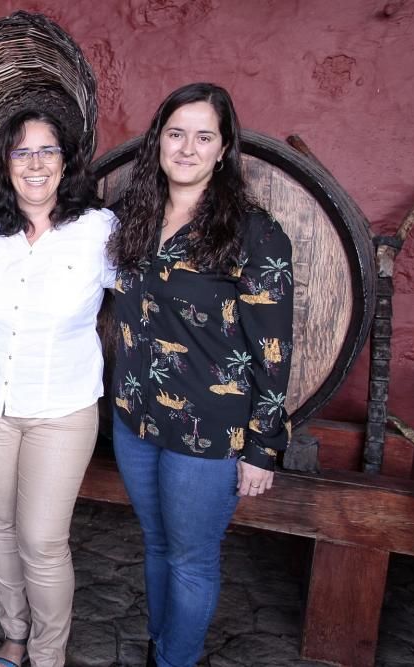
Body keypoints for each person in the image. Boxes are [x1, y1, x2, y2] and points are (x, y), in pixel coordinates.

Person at [106, 82, 294, 667]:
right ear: (158, 142)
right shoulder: (134, 217)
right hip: (135, 418)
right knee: (157, 544)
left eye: (203, 136)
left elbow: (272, 347)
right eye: (176, 133)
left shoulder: (253, 232)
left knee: (191, 559)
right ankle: (160, 649)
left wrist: (263, 447)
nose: (187, 148)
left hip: (207, 432)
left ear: (223, 148)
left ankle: (174, 660)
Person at [0, 109, 116, 667]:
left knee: (44, 541)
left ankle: (49, 655)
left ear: (66, 161)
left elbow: (150, 296)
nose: (35, 163)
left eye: (47, 151)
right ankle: (14, 635)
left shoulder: (99, 230)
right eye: (21, 152)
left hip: (63, 408)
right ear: (5, 163)